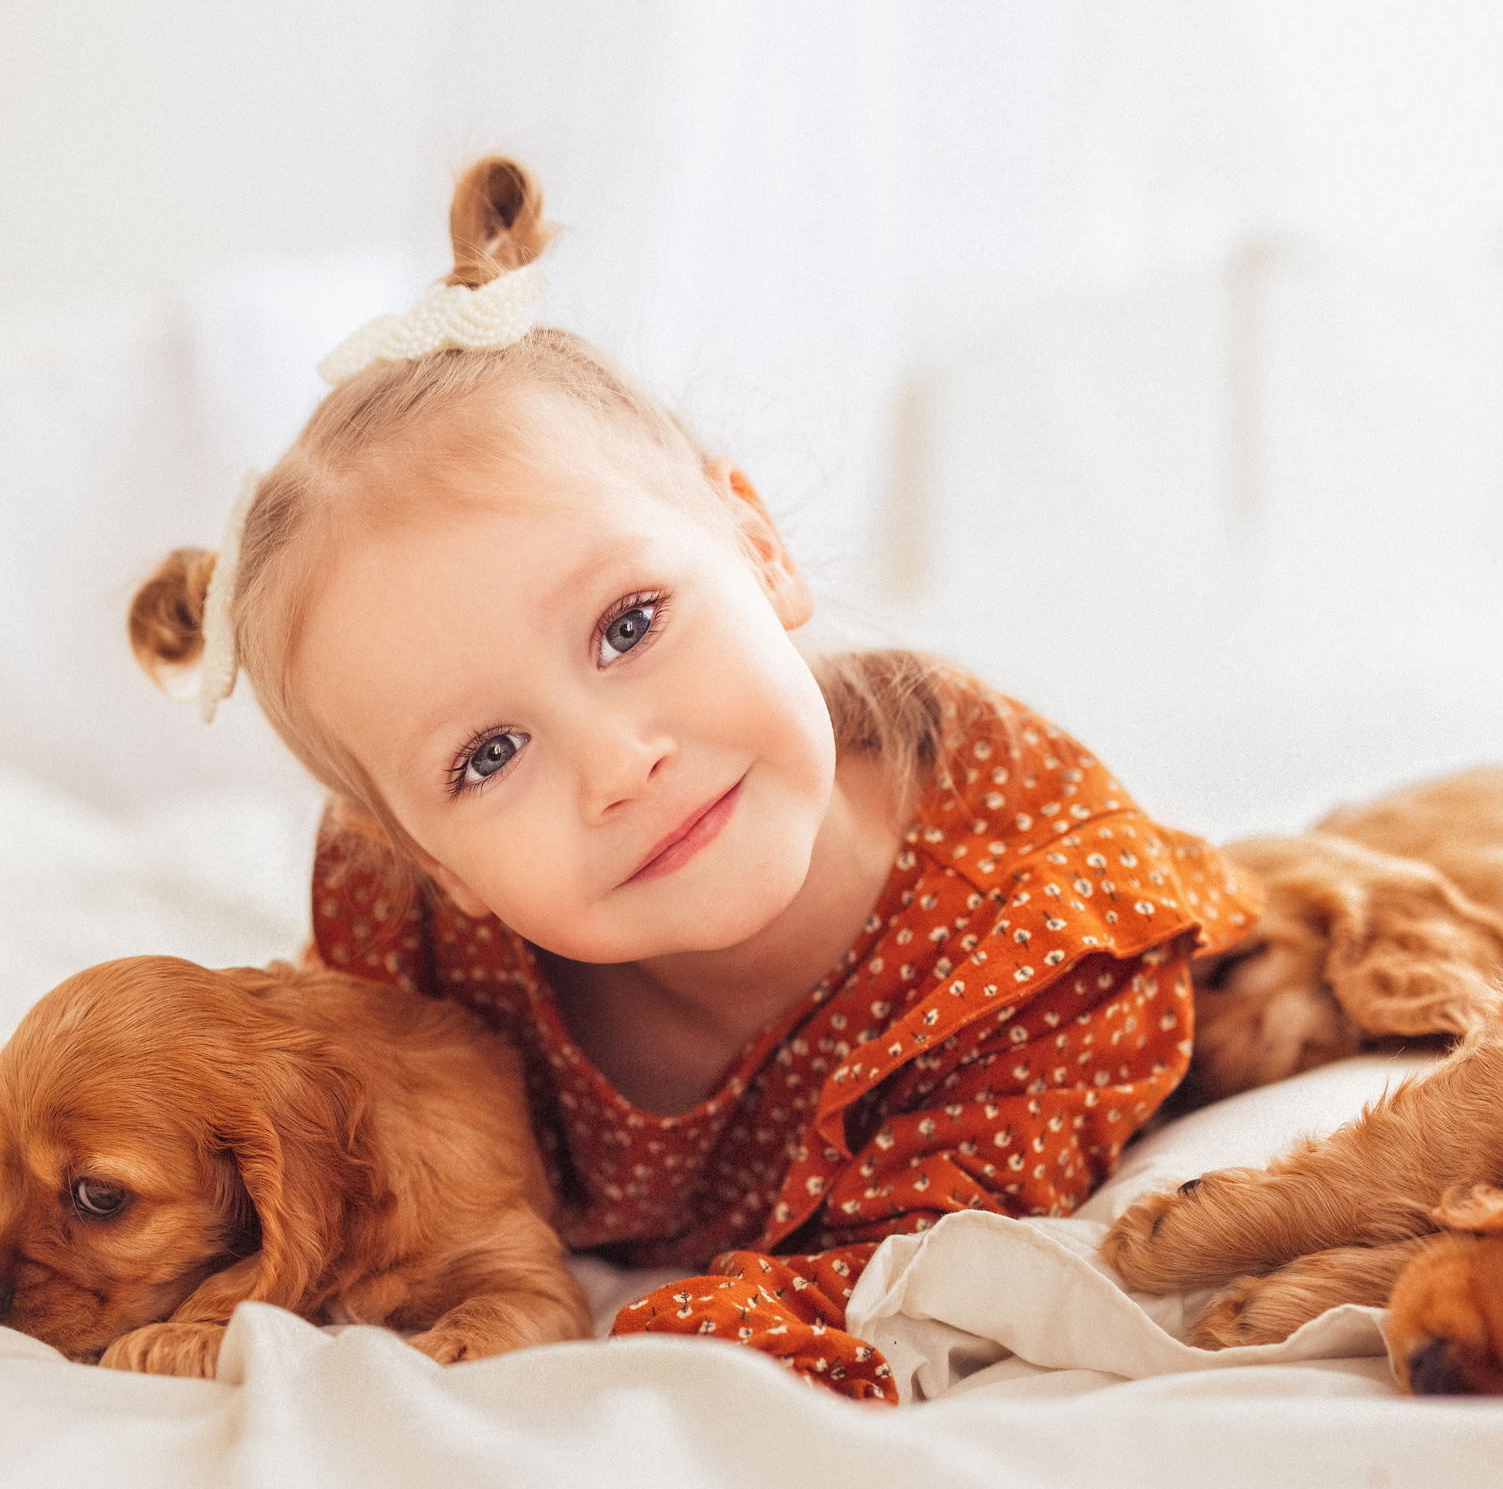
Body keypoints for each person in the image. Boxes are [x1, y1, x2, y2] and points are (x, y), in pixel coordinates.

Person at [126, 156, 1259, 1402]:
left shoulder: (1042, 945)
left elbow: (906, 1278)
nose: (619, 765)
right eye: (488, 757)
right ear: (438, 866)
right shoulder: (417, 949)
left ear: (759, 550)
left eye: (628, 625)